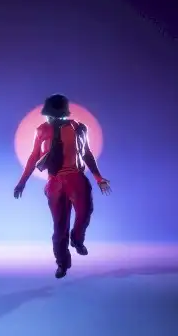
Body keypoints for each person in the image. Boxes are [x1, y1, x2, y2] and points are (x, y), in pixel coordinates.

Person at [14, 94, 111, 278]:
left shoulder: (78, 128)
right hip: (55, 181)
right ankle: (62, 263)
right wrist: (22, 182)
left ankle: (77, 239)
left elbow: (87, 153)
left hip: (76, 178)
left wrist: (99, 178)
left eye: (52, 115)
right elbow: (33, 157)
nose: (49, 118)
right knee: (59, 226)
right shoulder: (42, 130)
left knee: (84, 213)